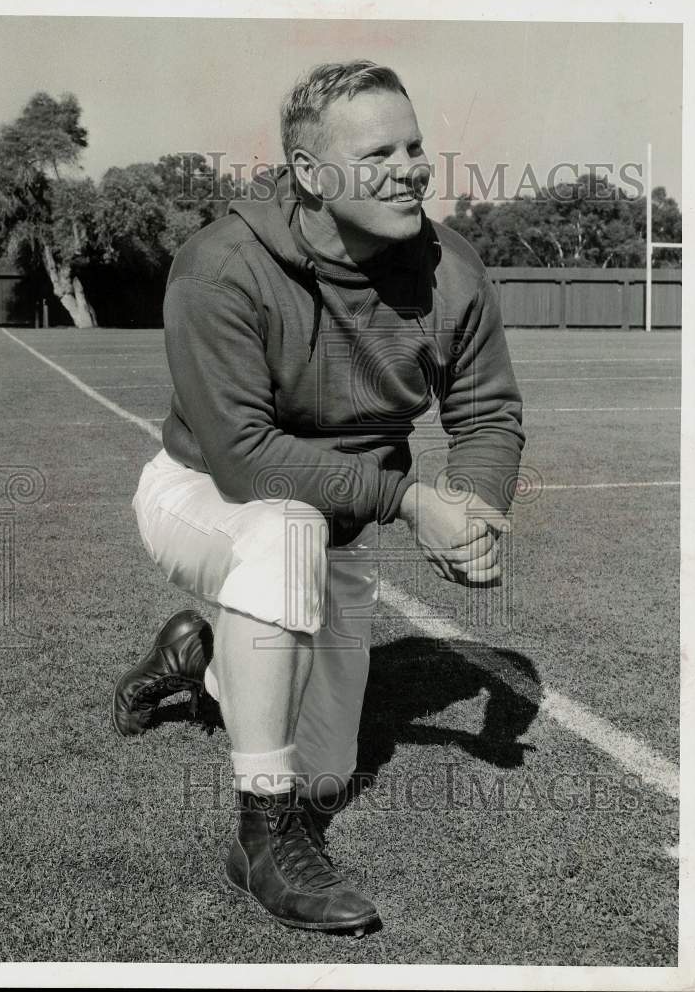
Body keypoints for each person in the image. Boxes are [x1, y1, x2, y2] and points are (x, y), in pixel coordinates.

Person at [113, 60, 524, 936]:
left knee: (329, 772)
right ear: (308, 175)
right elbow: (244, 460)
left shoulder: (450, 266)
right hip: (202, 496)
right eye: (377, 152)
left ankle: (206, 658)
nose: (409, 167)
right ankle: (261, 837)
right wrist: (415, 502)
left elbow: (486, 411)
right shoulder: (219, 264)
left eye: (415, 146)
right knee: (286, 530)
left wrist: (478, 518)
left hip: (335, 527)